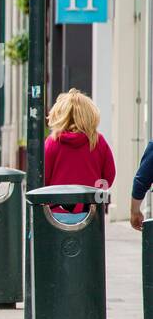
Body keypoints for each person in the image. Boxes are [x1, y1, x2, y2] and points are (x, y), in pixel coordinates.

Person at [44, 88, 115, 224]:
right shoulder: (98, 142)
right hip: (91, 212)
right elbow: (109, 177)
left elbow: (43, 178)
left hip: (56, 213)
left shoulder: (52, 142)